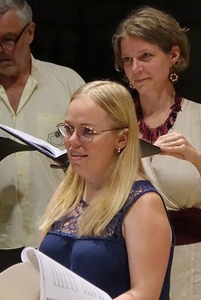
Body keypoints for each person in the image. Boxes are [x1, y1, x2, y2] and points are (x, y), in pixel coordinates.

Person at [0, 1, 84, 299]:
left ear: (30, 32)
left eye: (9, 39)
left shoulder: (67, 82)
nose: (0, 50)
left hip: (60, 233)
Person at [112, 5, 201, 300]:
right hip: (129, 260)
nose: (136, 69)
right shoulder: (115, 123)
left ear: (173, 55)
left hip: (192, 262)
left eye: (146, 56)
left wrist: (198, 160)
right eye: (128, 60)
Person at [39, 80, 174, 300]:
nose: (72, 141)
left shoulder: (142, 202)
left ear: (121, 139)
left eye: (87, 132)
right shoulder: (67, 189)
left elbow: (144, 294)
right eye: (69, 129)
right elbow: (39, 271)